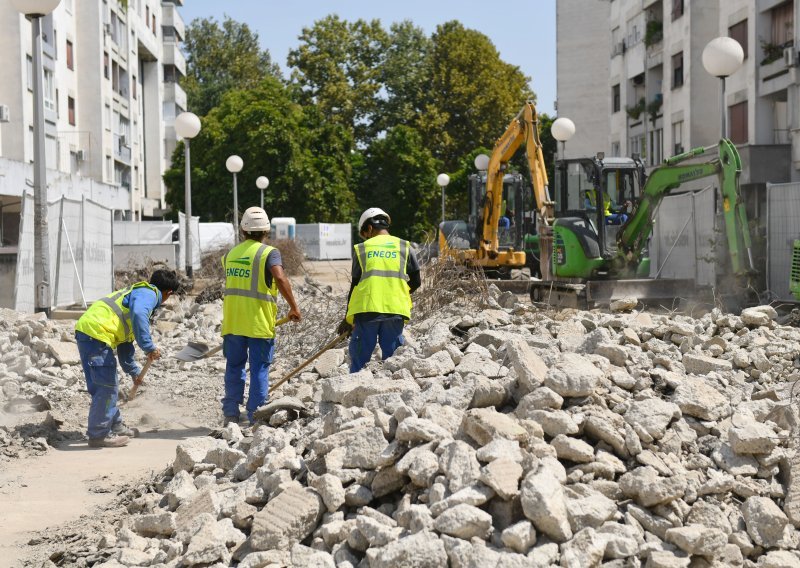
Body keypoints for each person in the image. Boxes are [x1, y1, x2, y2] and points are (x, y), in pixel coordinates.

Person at [75, 269, 180, 448]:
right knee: (107, 387)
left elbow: (125, 348)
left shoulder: (135, 295)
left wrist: (134, 371)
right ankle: (99, 435)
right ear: (168, 293)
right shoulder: (149, 293)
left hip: (91, 334)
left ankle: (115, 426)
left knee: (106, 384)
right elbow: (140, 315)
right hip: (96, 334)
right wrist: (149, 347)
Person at [221, 206, 301, 426]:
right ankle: (256, 415)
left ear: (243, 230)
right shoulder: (269, 253)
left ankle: (230, 415)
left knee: (234, 367)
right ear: (267, 230)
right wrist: (293, 307)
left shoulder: (230, 254)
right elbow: (280, 278)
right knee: (259, 368)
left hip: (233, 321)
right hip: (258, 323)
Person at [338, 208, 421, 372]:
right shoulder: (405, 246)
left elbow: (355, 287)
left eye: (365, 233)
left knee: (359, 360)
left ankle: (354, 390)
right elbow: (416, 282)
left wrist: (348, 320)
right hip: (395, 310)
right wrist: (396, 293)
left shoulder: (362, 249)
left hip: (367, 310)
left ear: (369, 228)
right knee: (393, 361)